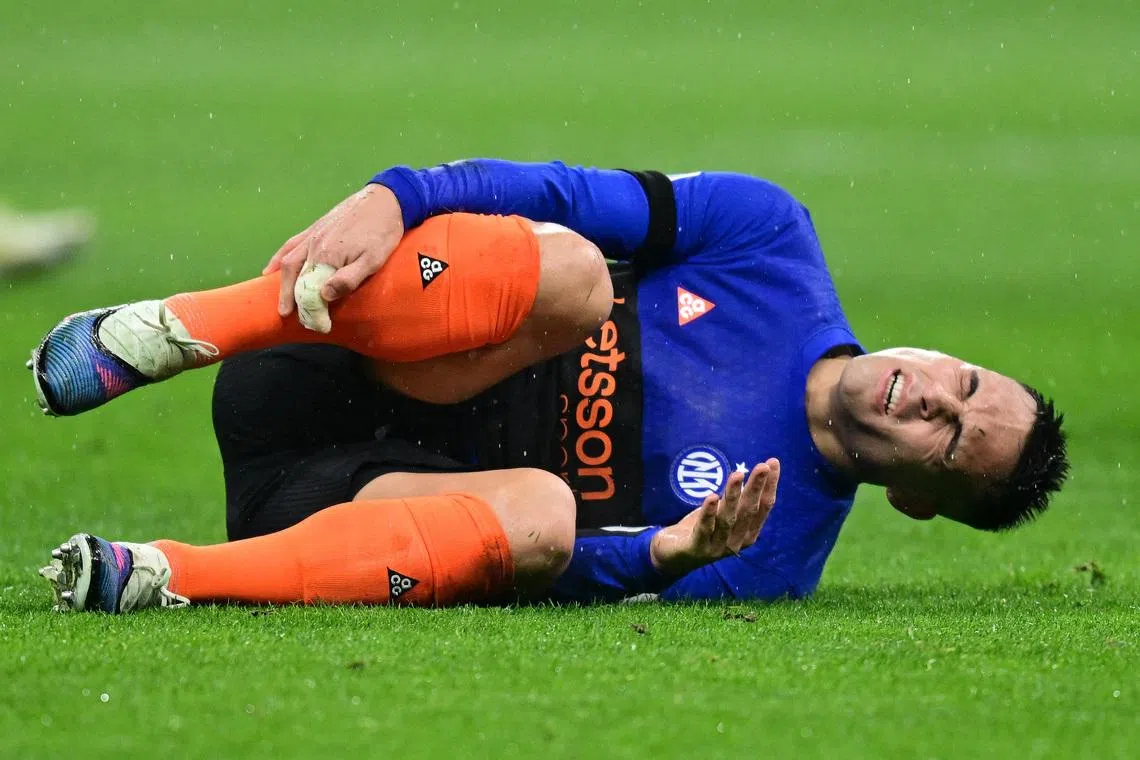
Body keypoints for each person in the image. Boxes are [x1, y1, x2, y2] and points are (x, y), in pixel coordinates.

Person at [31, 160, 1068, 614]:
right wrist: (398, 196)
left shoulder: (769, 561)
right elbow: (560, 194)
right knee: (575, 274)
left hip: (338, 508)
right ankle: (174, 332)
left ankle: (166, 578)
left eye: (951, 439)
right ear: (946, 351)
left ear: (919, 498)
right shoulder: (770, 241)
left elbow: (543, 581)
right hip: (328, 328)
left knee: (541, 515)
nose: (935, 399)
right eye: (965, 381)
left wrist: (667, 554)